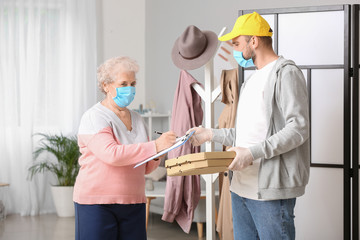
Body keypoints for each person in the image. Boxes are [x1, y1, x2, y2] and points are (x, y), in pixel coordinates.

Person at [188, 12, 310, 240]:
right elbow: (245, 136)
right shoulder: (251, 81)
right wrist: (209, 134)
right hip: (240, 187)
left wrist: (251, 154)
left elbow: (298, 129)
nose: (234, 50)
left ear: (254, 41)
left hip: (269, 191)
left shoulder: (286, 74)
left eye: (236, 43)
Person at [73, 56, 176, 240]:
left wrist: (158, 151)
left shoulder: (138, 119)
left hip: (133, 201)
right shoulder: (94, 117)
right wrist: (154, 145)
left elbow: (145, 167)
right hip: (97, 204)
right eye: (123, 83)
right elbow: (111, 154)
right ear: (106, 85)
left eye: (133, 83)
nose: (130, 88)